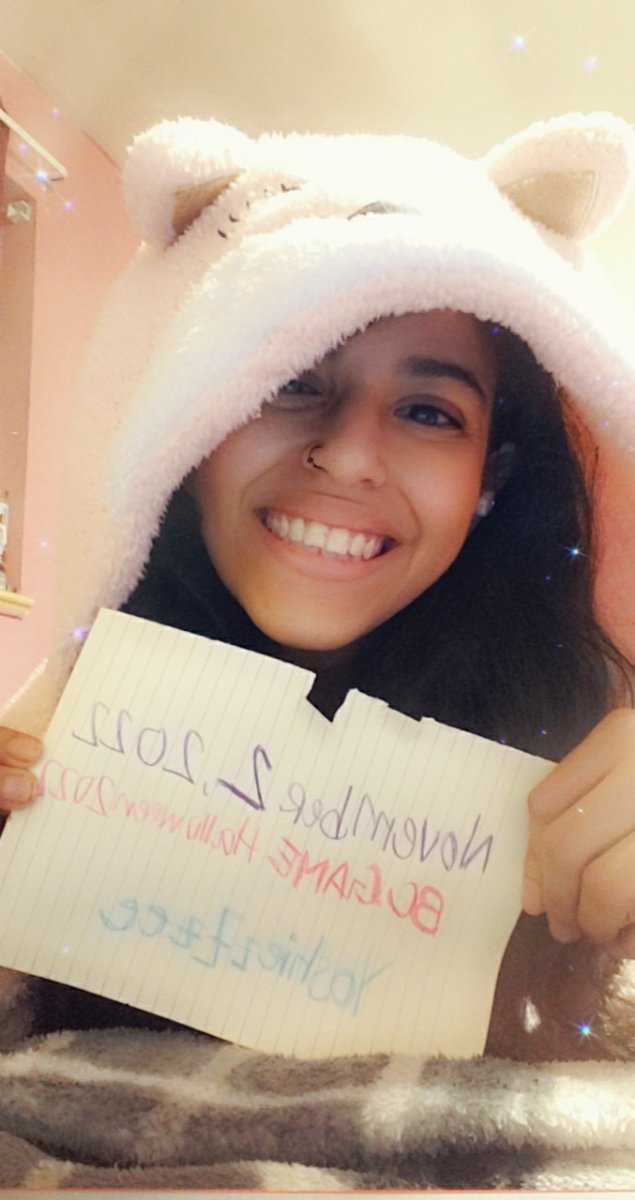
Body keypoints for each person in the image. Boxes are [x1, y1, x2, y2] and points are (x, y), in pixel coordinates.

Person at [1, 110, 635, 1060]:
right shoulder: (49, 746)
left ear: (489, 483)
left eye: (428, 411)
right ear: (181, 422)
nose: (346, 455)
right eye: (288, 380)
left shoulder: (593, 756)